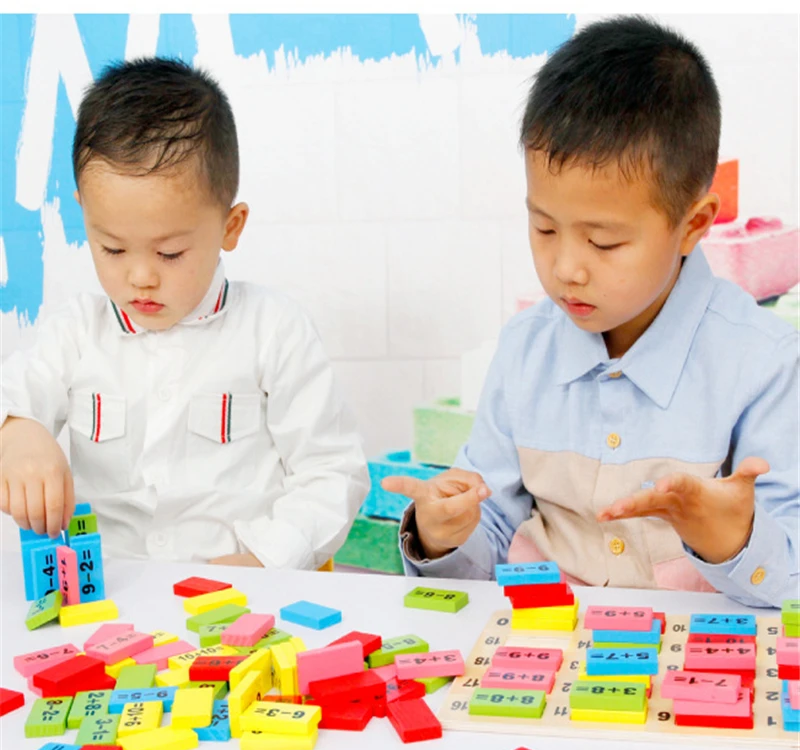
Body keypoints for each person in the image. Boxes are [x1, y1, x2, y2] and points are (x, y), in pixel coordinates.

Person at [383, 16, 799, 607]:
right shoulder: (525, 350)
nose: (566, 268)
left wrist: (734, 539)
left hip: (690, 652)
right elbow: (487, 536)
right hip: (546, 642)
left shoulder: (763, 362)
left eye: (603, 242)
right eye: (544, 228)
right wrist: (442, 535)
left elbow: (790, 579)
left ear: (693, 225)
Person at [0, 57, 369, 570]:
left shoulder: (274, 330)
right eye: (112, 248)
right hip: (116, 591)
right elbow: (15, 393)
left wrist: (268, 559)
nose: (140, 277)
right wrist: (16, 430)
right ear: (84, 211)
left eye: (169, 253)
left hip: (240, 592)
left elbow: (332, 471)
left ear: (230, 227)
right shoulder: (76, 332)